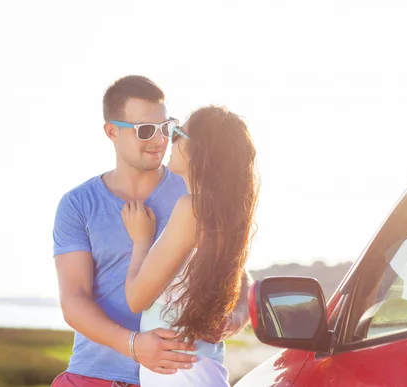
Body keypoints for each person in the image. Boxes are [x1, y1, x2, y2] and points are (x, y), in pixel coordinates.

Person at [52, 76, 251, 387]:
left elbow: (236, 271)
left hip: (179, 374)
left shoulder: (193, 192)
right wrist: (133, 345)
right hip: (94, 376)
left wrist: (235, 314)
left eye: (165, 128)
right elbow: (74, 299)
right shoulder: (78, 204)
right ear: (112, 131)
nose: (159, 140)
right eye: (145, 130)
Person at [121, 105, 259, 386]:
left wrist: (141, 240)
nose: (169, 140)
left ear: (199, 149)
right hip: (198, 371)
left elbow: (136, 298)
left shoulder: (191, 210)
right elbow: (242, 276)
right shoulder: (223, 214)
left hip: (179, 374)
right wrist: (238, 314)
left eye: (176, 133)